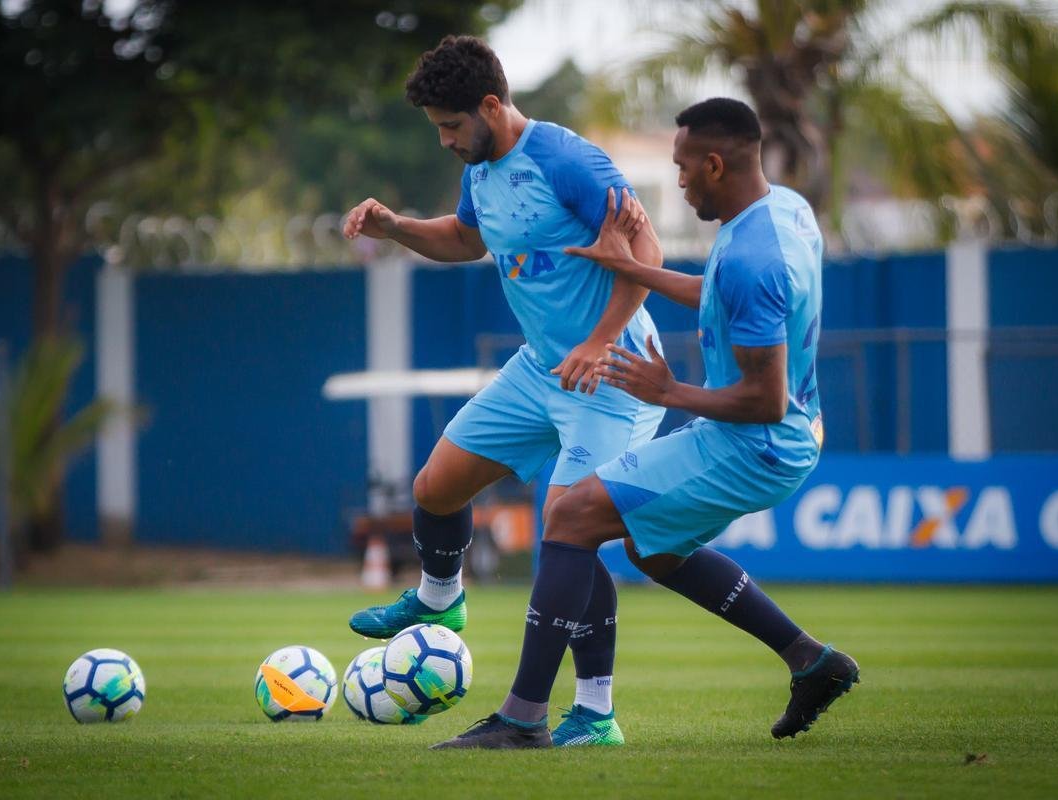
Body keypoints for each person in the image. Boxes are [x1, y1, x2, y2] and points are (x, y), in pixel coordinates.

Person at [432, 98, 859, 750]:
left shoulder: (753, 258)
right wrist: (632, 269)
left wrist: (672, 390)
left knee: (570, 518)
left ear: (714, 164)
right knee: (653, 550)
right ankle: (810, 660)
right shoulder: (783, 214)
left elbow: (765, 400)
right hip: (777, 435)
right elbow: (718, 291)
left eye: (684, 168)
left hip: (758, 442)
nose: (678, 181)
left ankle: (522, 719)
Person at [341, 34, 666, 747]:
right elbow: (466, 240)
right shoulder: (480, 167)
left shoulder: (569, 162)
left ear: (492, 105)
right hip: (542, 366)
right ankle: (440, 599)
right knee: (435, 487)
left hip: (612, 375)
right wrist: (396, 227)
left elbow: (649, 257)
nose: (446, 142)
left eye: (452, 127)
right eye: (438, 130)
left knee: (566, 530)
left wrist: (599, 340)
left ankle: (577, 714)